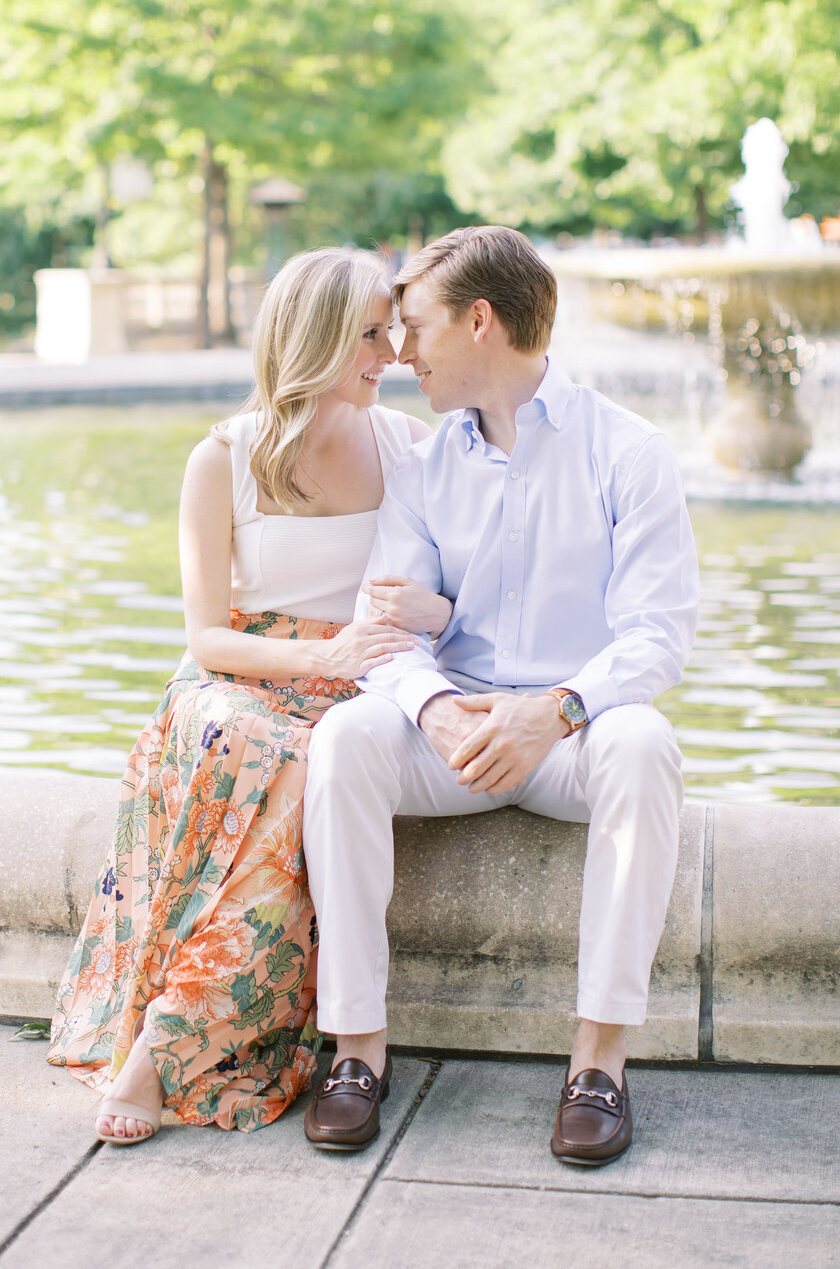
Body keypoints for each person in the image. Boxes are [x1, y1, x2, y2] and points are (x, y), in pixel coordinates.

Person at [302, 225, 699, 1165]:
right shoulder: (424, 465)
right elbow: (386, 630)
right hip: (457, 731)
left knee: (646, 746)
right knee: (348, 738)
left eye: (416, 328)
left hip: (572, 735)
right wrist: (437, 708)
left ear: (480, 321)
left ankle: (598, 1063)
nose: (400, 355)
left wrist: (556, 710)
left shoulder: (629, 452)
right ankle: (356, 1047)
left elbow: (657, 635)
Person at [47, 247, 447, 1144]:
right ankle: (163, 1045)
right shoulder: (221, 458)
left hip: (364, 684)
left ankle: (167, 1042)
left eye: (391, 331)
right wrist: (319, 661)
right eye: (369, 336)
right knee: (266, 749)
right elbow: (206, 638)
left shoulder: (408, 446)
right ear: (312, 340)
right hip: (243, 684)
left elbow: (463, 586)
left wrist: (423, 617)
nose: (391, 353)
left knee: (320, 756)